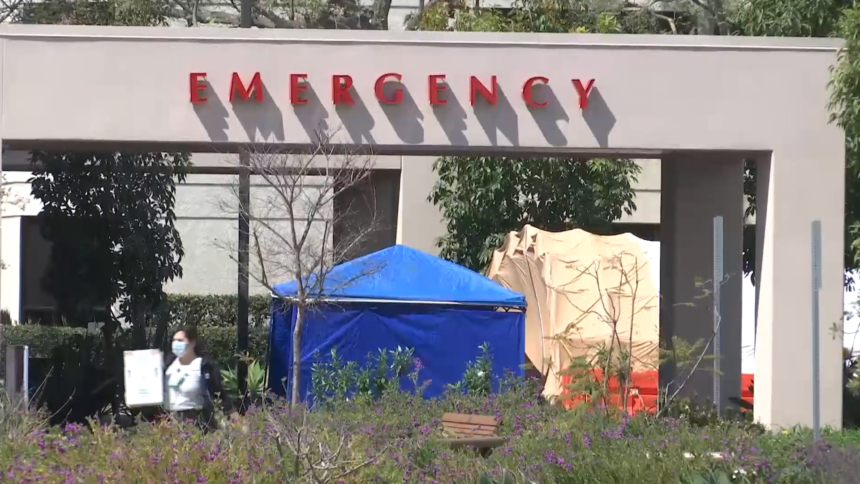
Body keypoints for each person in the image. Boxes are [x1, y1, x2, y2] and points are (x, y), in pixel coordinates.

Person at [163, 325, 238, 431]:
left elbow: (219, 393)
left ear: (192, 343)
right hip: (170, 422)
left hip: (197, 422)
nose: (176, 344)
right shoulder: (168, 365)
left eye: (180, 340)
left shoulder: (204, 367)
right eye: (174, 340)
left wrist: (237, 421)